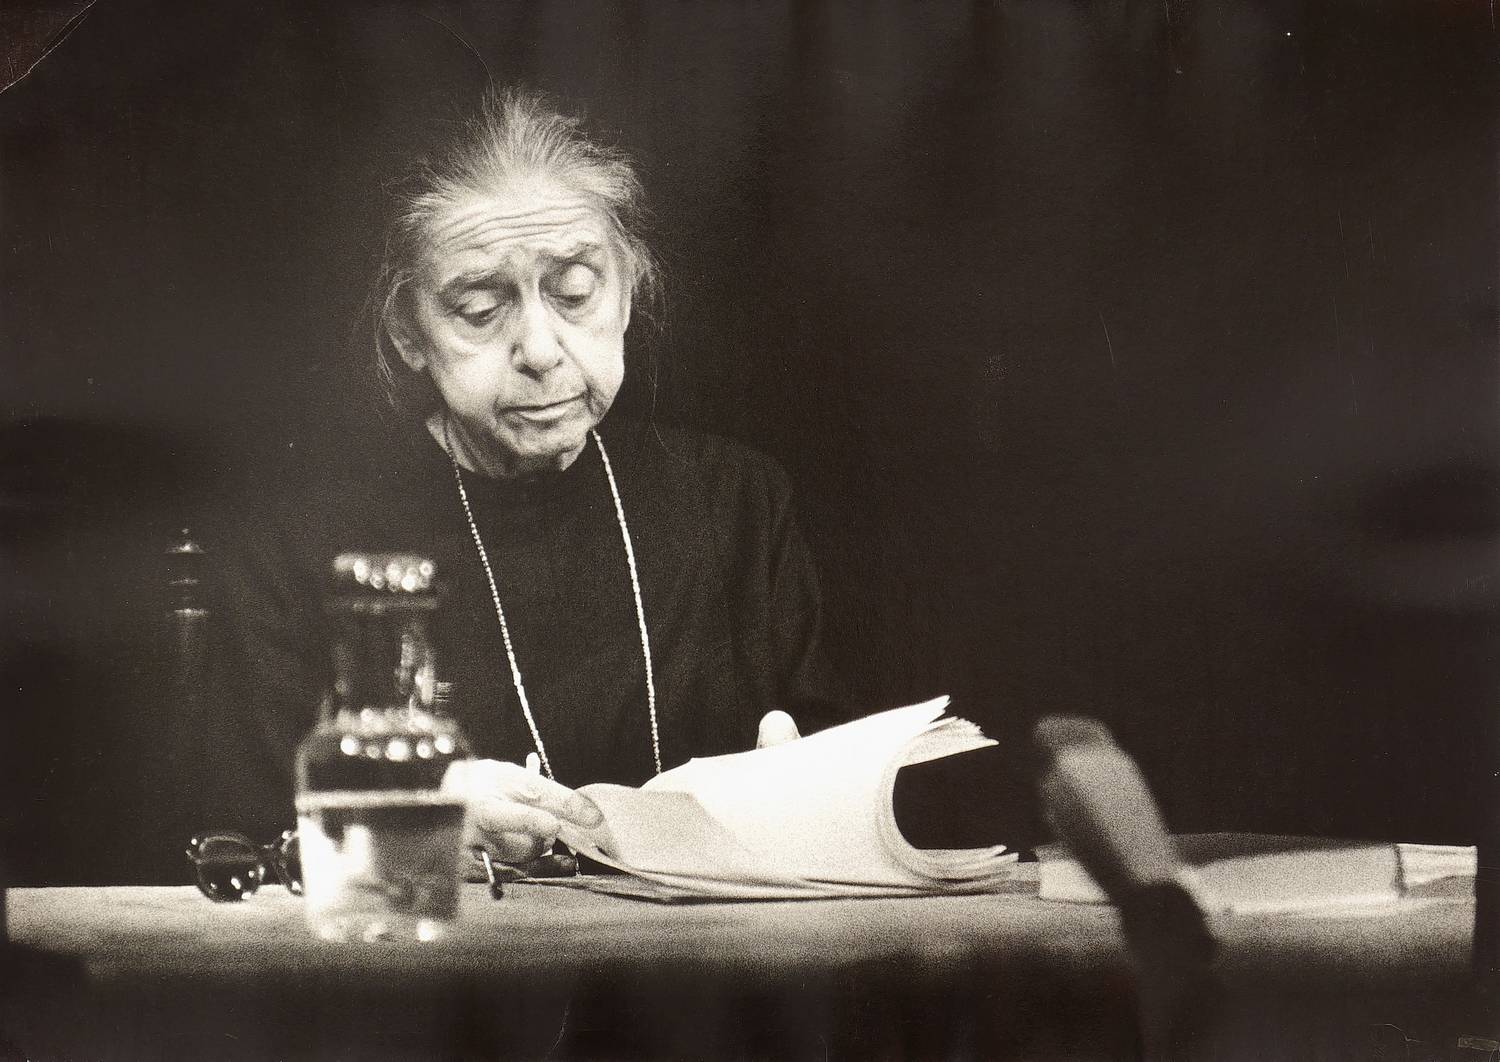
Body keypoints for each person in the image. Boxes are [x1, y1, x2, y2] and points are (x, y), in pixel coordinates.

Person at [204, 89, 842, 867]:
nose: (541, 350)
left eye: (575, 293)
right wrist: (407, 827)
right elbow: (235, 849)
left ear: (628, 292)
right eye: (479, 309)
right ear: (408, 332)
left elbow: (846, 791)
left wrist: (814, 794)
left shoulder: (736, 503)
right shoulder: (297, 547)